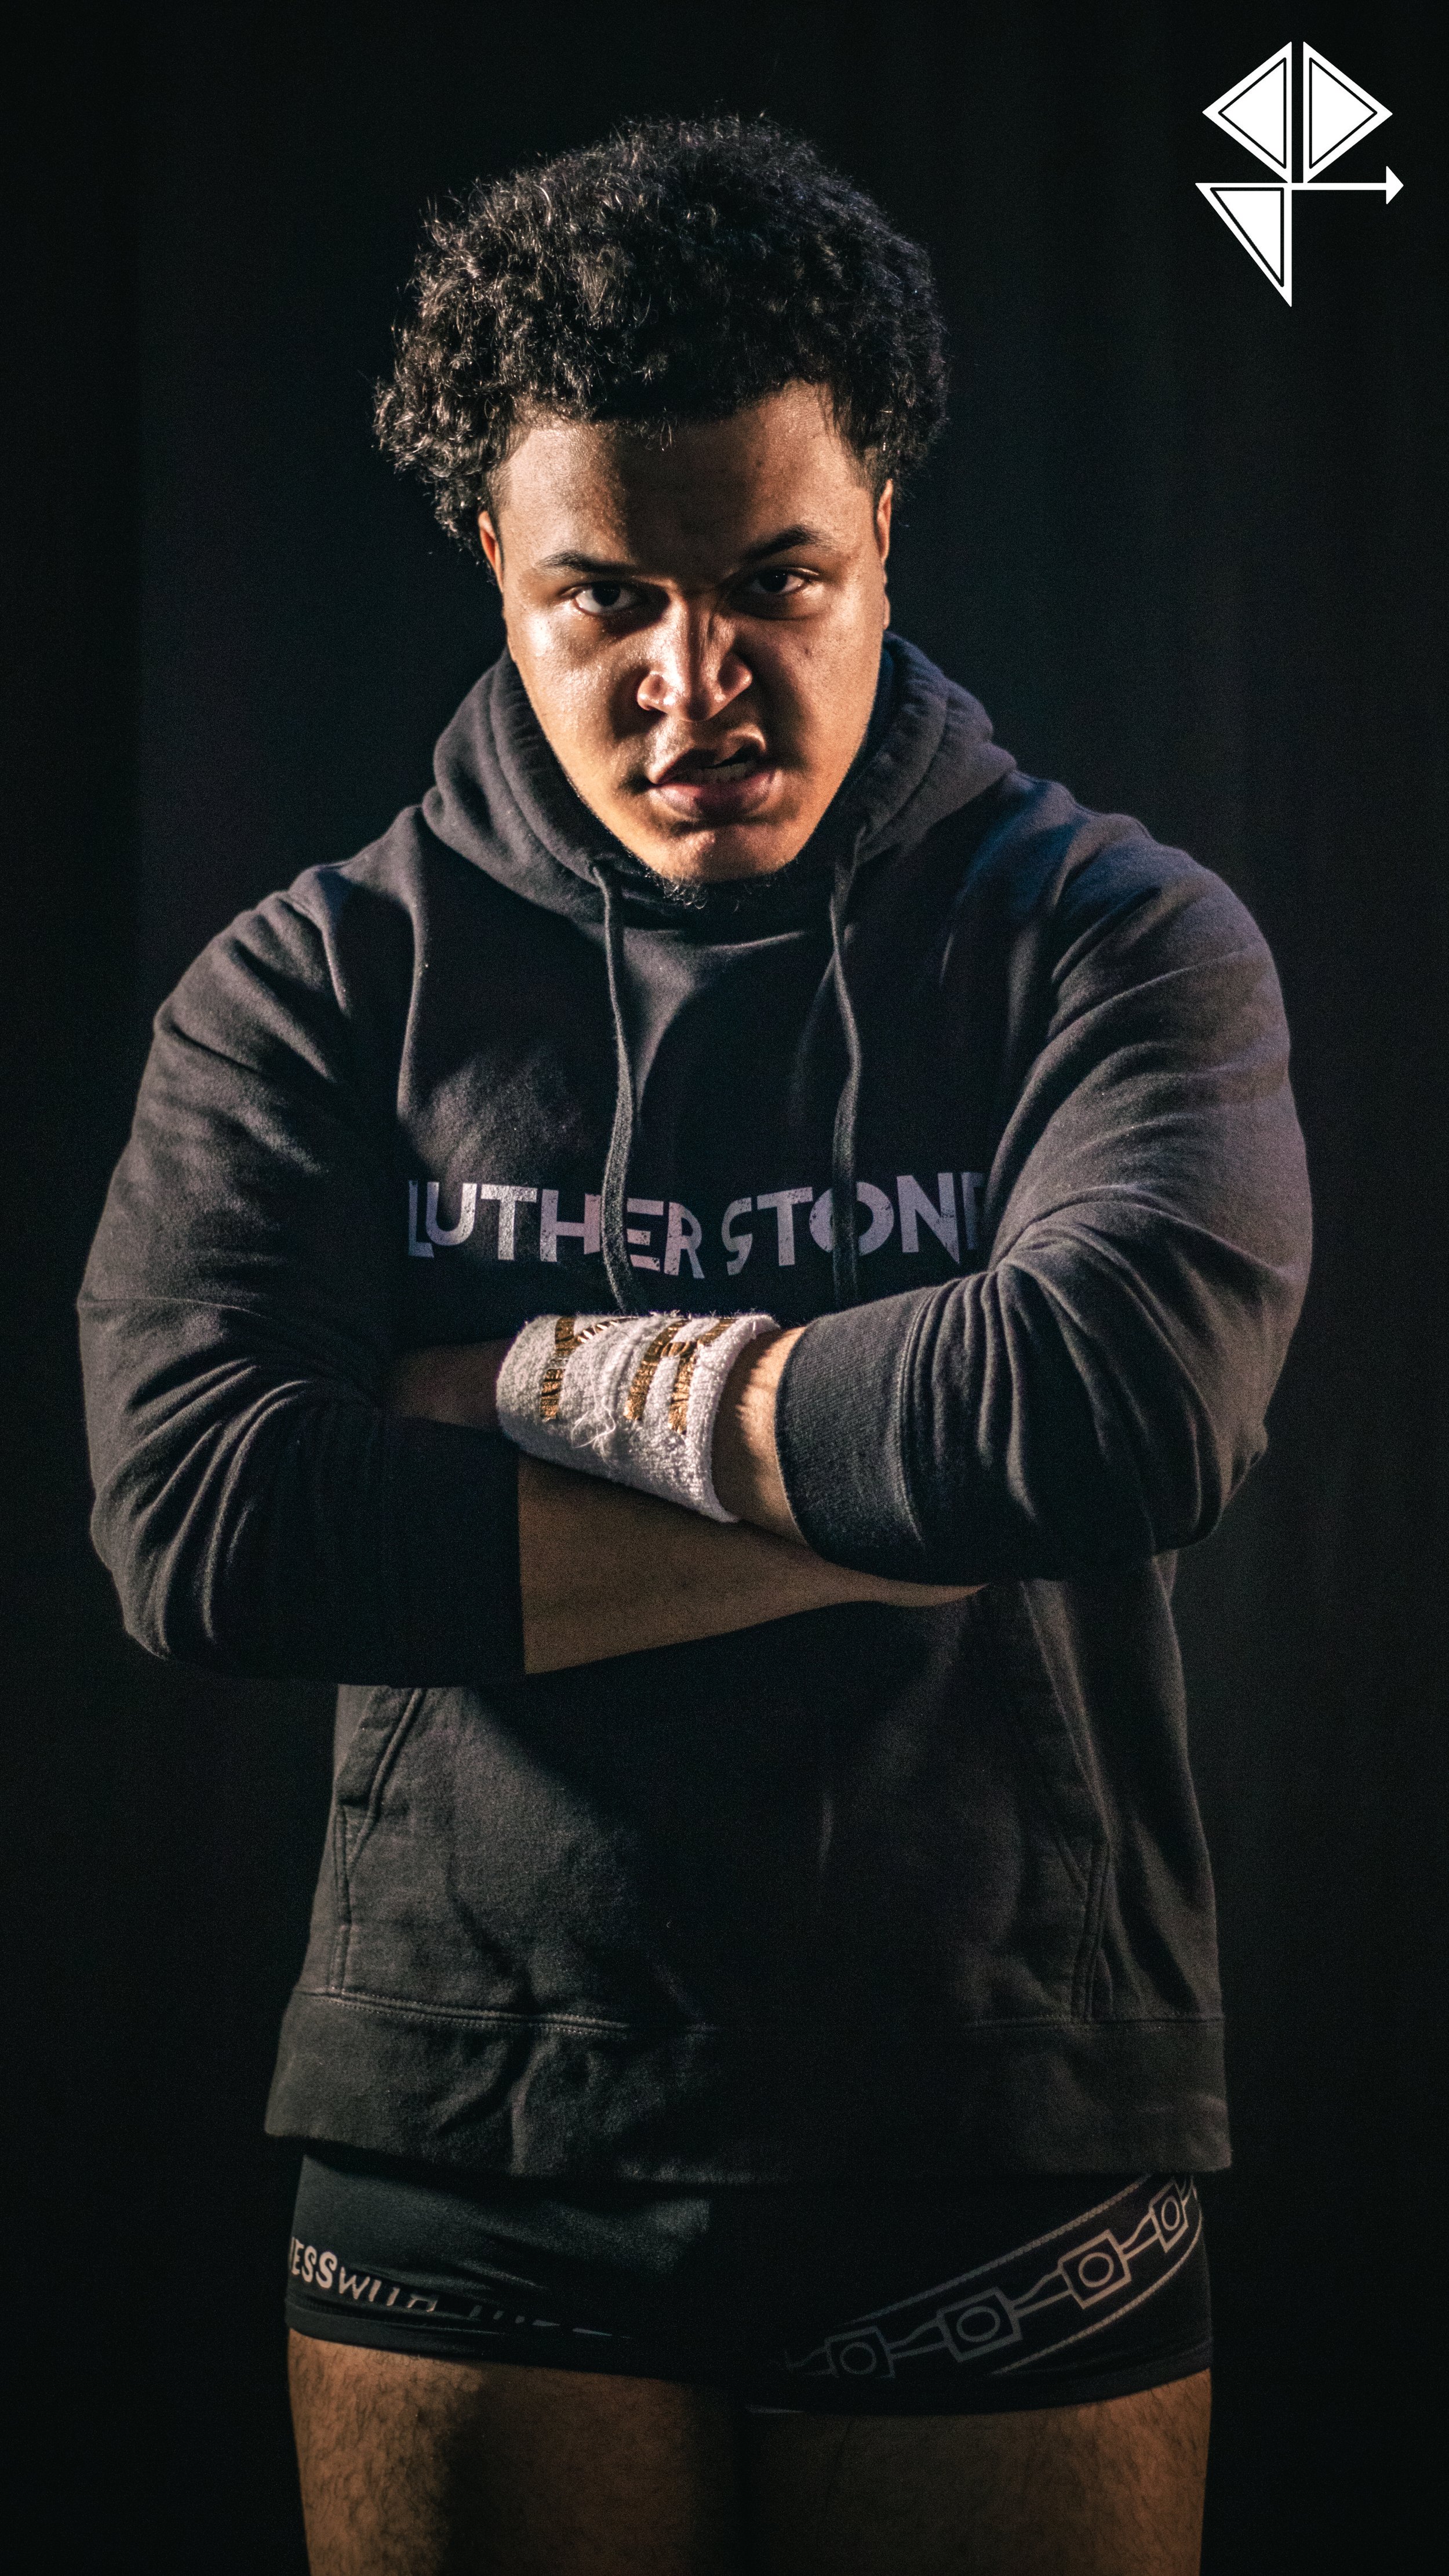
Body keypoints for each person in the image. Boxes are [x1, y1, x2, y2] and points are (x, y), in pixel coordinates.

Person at [79, 115, 1310, 2575]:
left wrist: (535, 1380)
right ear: (493, 571)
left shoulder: (1114, 943)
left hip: (994, 2110)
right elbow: (209, 1529)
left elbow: (1110, 1409)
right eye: (602, 604)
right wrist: (903, 1460)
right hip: (469, 2127)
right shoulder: (312, 986)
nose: (693, 686)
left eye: (777, 582)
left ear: (884, 527)